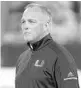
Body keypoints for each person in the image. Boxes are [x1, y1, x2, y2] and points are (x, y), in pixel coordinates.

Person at [15, 3, 79, 88]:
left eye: (31, 21)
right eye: (23, 21)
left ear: (46, 25)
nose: (25, 26)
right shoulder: (22, 58)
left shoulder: (60, 56)